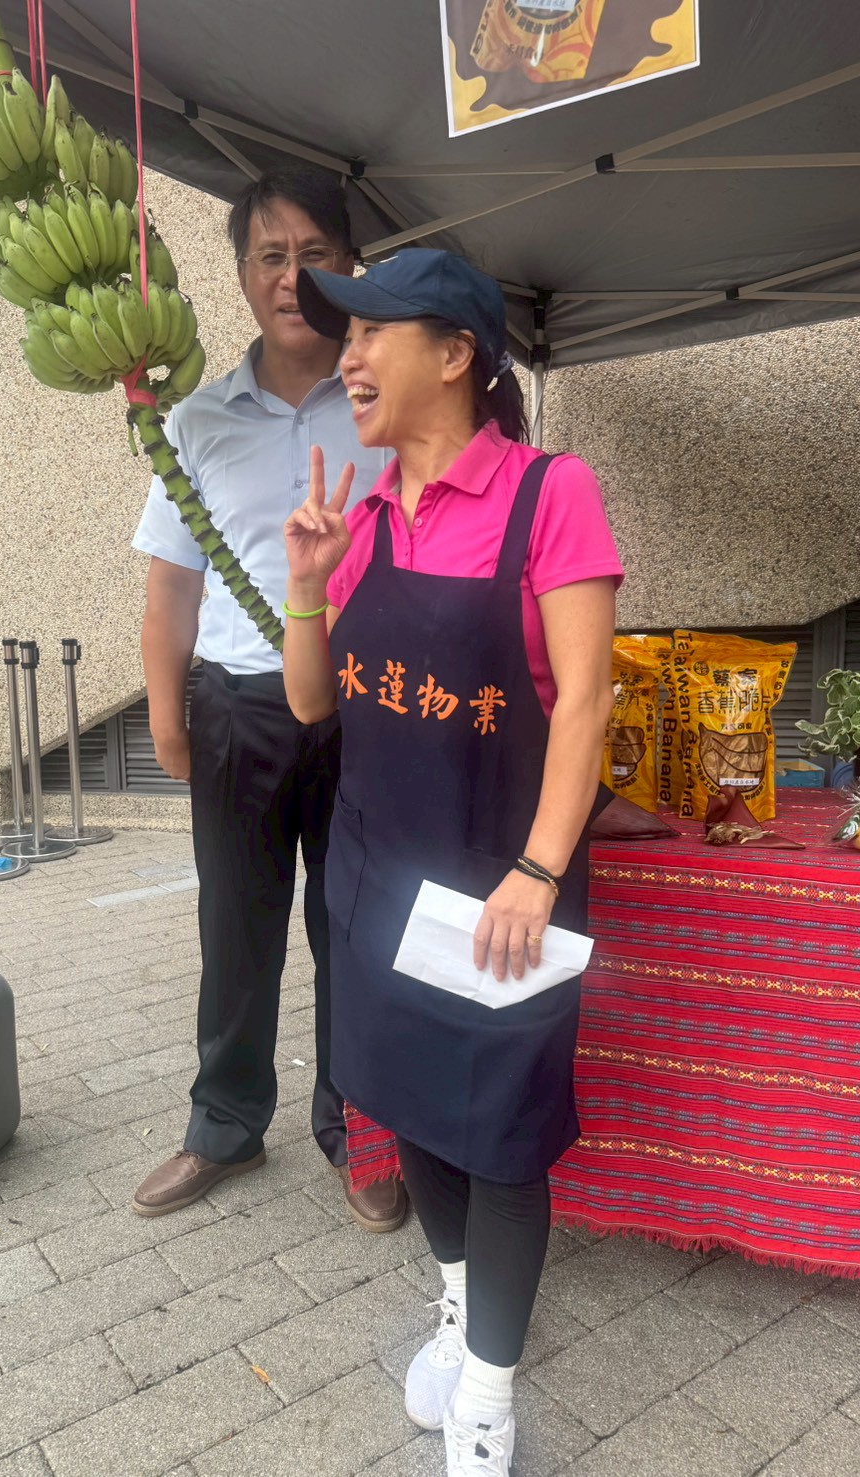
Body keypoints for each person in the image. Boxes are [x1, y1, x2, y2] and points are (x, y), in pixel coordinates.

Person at [281, 249, 622, 1476]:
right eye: (345, 338)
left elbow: (584, 700)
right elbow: (312, 703)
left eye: (372, 333)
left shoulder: (548, 495)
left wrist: (538, 869)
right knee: (413, 1106)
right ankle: (461, 1301)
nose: (349, 359)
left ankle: (486, 1394)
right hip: (377, 880)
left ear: (457, 353)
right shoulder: (365, 517)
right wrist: (305, 586)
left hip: (501, 891)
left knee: (503, 1137)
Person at [129, 167, 406, 1234]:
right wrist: (166, 717)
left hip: (366, 710)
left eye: (315, 256)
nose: (293, 278)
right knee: (235, 925)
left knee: (354, 925)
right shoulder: (195, 422)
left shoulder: (388, 401)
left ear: (350, 268)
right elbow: (170, 586)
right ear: (243, 274)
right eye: (271, 257)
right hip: (236, 707)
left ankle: (358, 1129)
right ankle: (224, 1123)